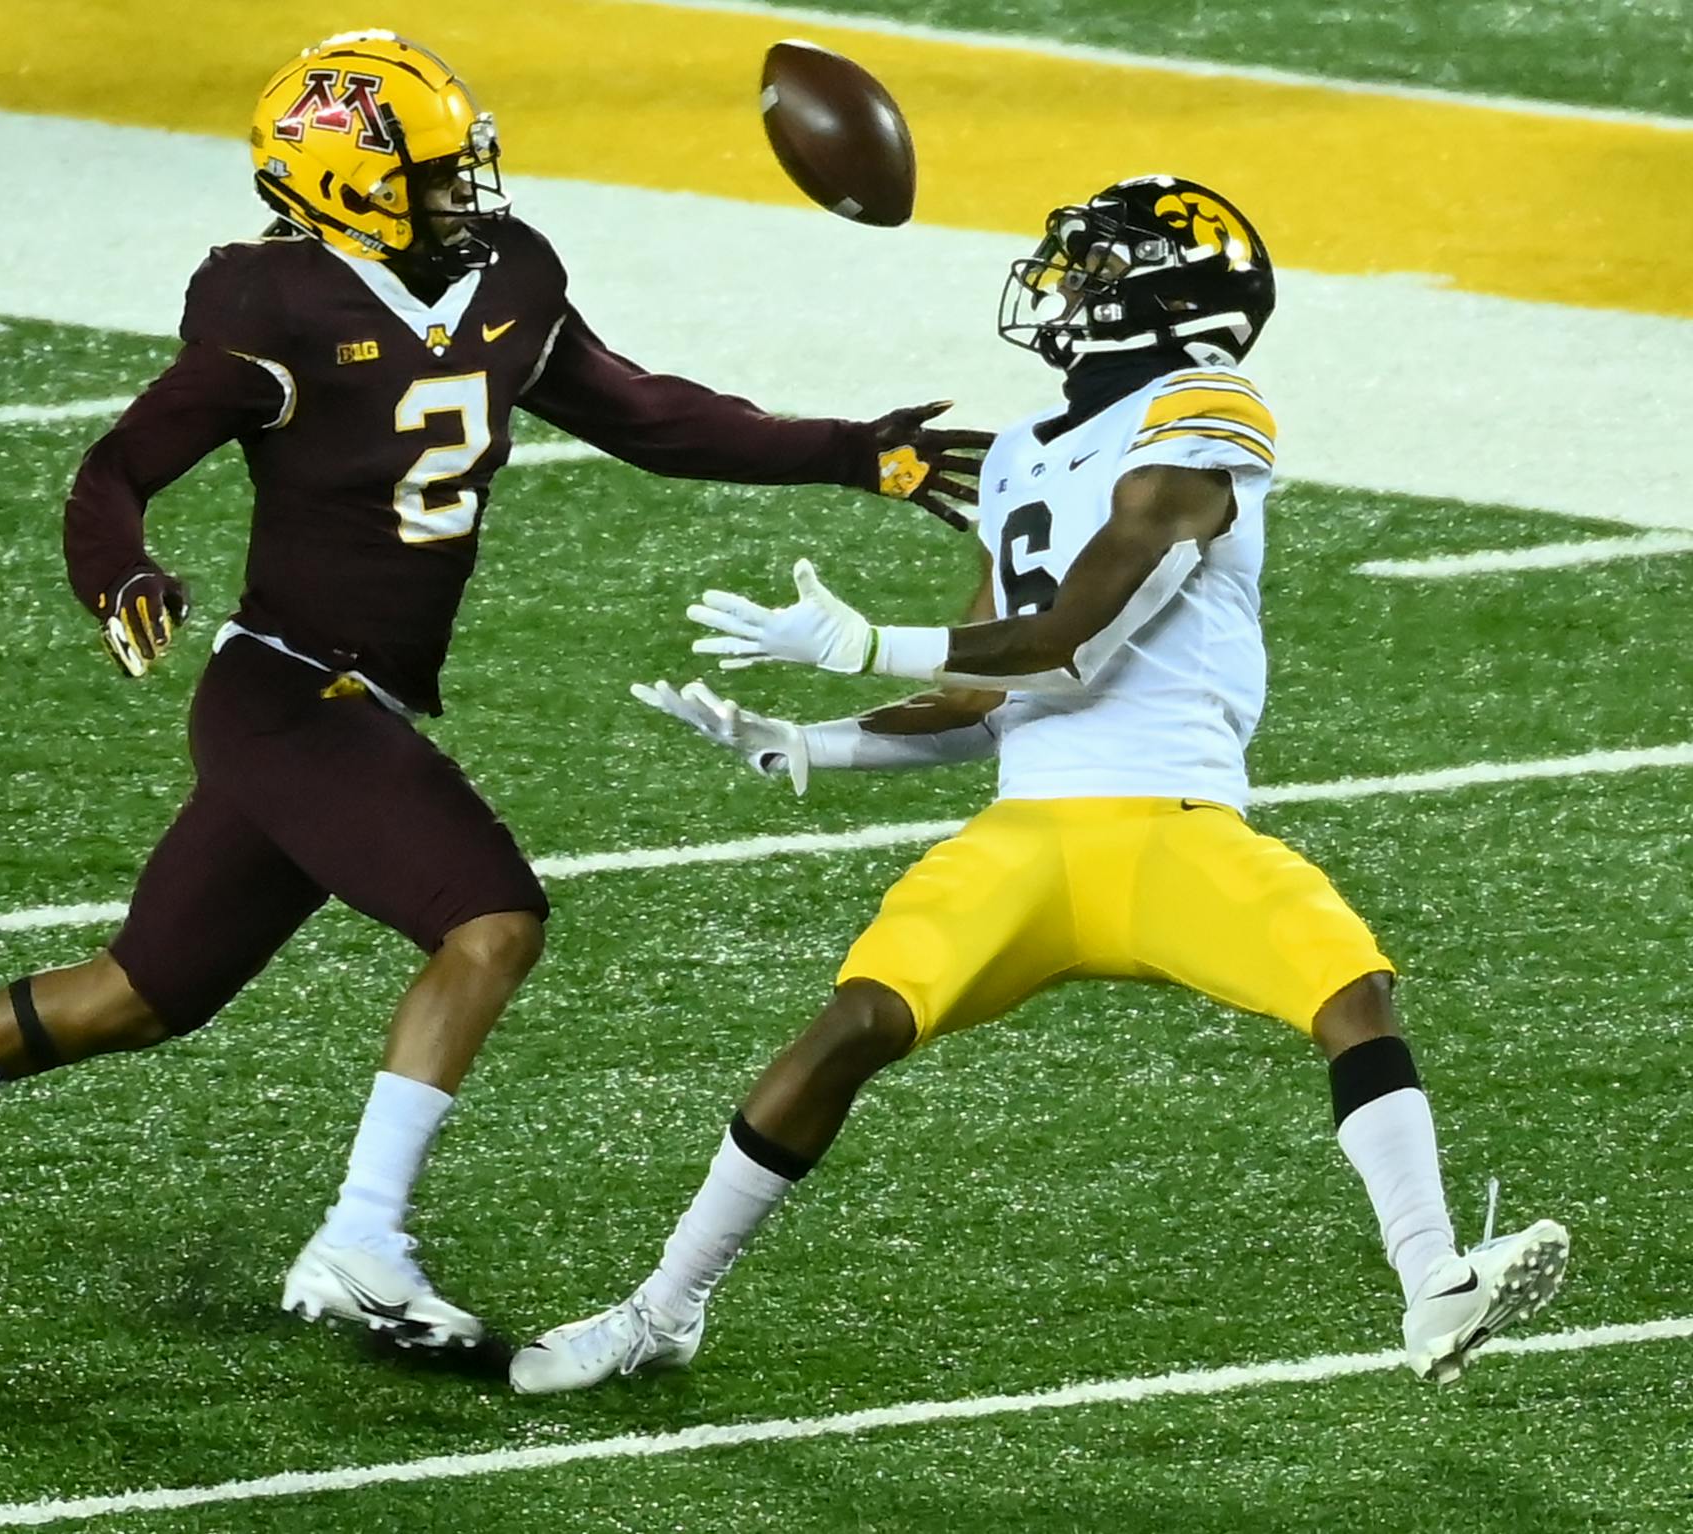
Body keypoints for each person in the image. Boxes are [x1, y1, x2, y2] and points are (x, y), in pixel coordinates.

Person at [0, 30, 988, 1348]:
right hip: (284, 690)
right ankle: (361, 1236)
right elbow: (115, 471)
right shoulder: (271, 310)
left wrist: (856, 454)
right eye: (441, 177)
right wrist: (121, 576)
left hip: (357, 697)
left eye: (466, 169)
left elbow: (644, 413)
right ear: (344, 186)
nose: (471, 196)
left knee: (139, 993)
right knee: (493, 919)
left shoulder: (509, 273)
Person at [510, 175, 1569, 1392]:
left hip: (1172, 824)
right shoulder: (1018, 450)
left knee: (1351, 993)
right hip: (1025, 836)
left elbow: (1071, 643)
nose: (1068, 283)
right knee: (852, 1023)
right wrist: (811, 741)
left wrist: (866, 643)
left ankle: (1435, 1280)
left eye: (1101, 267)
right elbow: (978, 698)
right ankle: (662, 1308)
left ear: (1168, 300)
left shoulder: (1207, 411)